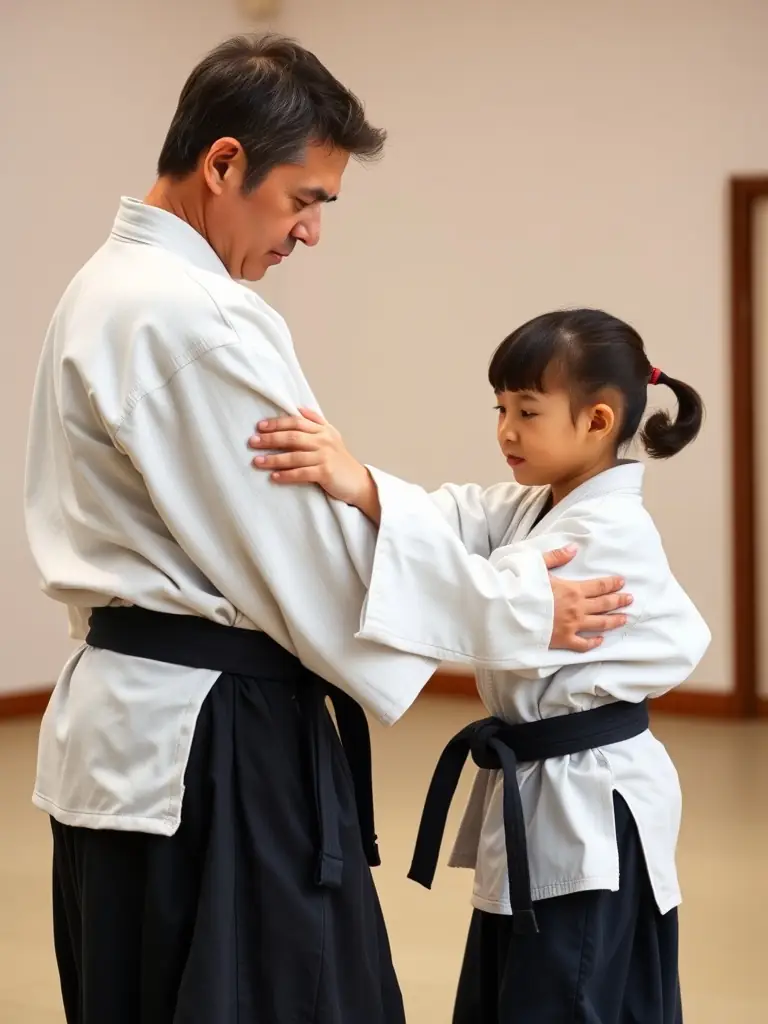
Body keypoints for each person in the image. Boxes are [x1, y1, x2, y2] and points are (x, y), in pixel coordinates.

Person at [23, 36, 632, 1024]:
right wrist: (519, 609)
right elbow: (315, 564)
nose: (311, 233)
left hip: (131, 741)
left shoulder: (105, 289)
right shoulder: (194, 317)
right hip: (215, 755)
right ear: (224, 164)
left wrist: (397, 512)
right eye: (305, 199)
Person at [250, 307, 711, 1023]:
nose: (506, 430)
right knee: (524, 986)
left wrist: (360, 487)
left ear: (596, 420)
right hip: (545, 786)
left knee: (571, 991)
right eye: (500, 408)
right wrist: (357, 480)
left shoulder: (608, 529)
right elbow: (450, 519)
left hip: (592, 802)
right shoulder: (537, 506)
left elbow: (494, 593)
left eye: (528, 410)